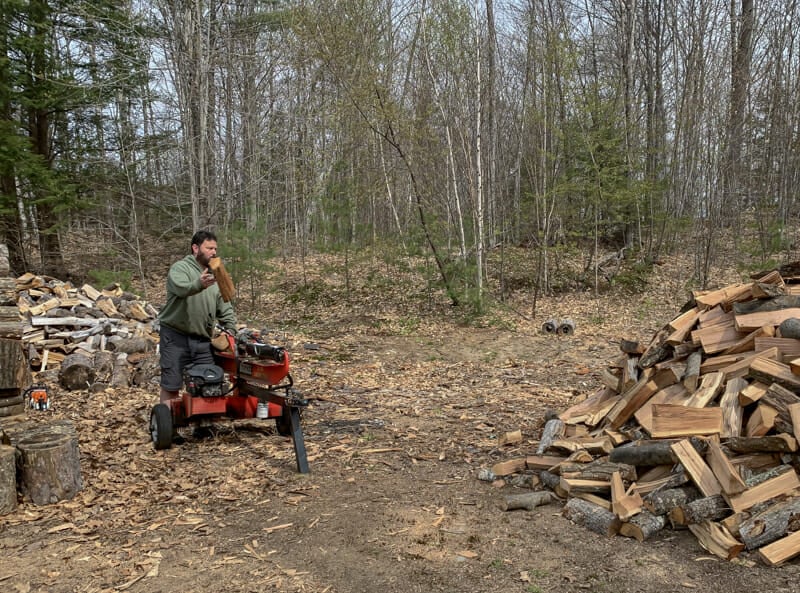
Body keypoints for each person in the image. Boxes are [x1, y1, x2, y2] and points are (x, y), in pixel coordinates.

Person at [158, 230, 237, 404]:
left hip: (202, 340)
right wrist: (198, 284)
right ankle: (168, 426)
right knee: (172, 385)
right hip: (175, 337)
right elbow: (181, 288)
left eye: (215, 249)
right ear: (195, 248)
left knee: (209, 382)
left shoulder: (217, 274)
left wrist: (230, 330)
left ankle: (203, 427)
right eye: (209, 248)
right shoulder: (180, 268)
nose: (214, 252)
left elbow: (225, 308)